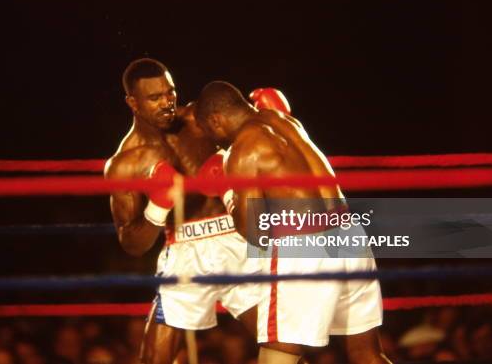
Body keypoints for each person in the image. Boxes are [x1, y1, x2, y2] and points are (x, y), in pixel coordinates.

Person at [194, 81, 391, 364]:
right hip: (350, 236)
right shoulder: (285, 120)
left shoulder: (243, 150)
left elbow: (255, 234)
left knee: (276, 358)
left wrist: (227, 192)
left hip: (306, 248)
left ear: (216, 119)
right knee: (368, 354)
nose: (215, 142)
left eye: (210, 132)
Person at [104, 59, 262, 364]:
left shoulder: (201, 120)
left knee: (284, 347)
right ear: (132, 103)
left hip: (238, 238)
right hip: (185, 251)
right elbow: (131, 243)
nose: (167, 103)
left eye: (170, 93)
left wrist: (274, 116)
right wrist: (158, 206)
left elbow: (259, 135)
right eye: (155, 98)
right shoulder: (126, 162)